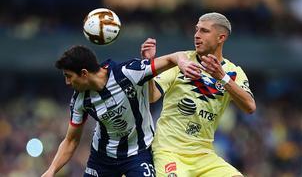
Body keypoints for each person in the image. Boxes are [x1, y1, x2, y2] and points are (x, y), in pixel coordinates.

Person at [41, 45, 200, 177]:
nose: (67, 82)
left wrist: (183, 63)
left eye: (69, 76)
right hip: (102, 158)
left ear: (84, 73)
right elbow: (71, 140)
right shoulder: (79, 100)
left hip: (139, 153)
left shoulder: (128, 73)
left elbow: (174, 56)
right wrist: (51, 170)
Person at [141, 12, 256, 177]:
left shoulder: (233, 72)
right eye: (196, 30)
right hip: (170, 150)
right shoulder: (181, 61)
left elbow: (250, 107)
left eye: (204, 31)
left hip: (204, 154)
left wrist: (222, 78)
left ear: (221, 37)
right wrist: (149, 67)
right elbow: (152, 97)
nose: (196, 35)